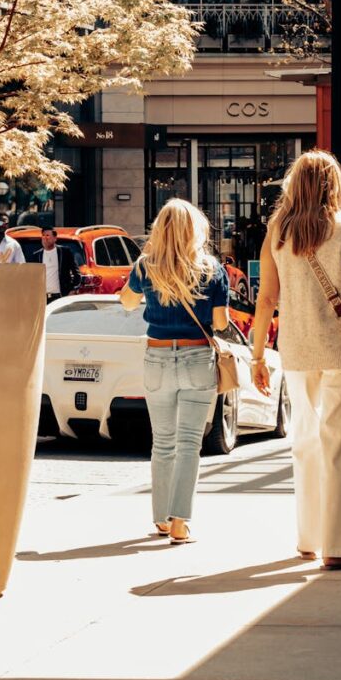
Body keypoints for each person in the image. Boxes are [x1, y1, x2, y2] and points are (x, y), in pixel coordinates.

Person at [249, 150, 341, 571]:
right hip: (339, 350)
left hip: (296, 351)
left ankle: (308, 538)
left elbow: (266, 299)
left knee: (306, 441)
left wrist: (258, 356)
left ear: (294, 185)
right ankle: (339, 545)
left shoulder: (277, 229)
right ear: (334, 185)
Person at [120, 198, 230, 544]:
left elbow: (125, 302)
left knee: (162, 442)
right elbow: (221, 323)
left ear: (160, 230)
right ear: (195, 230)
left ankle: (160, 520)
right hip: (197, 357)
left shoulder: (145, 266)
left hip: (157, 359)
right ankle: (180, 521)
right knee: (188, 444)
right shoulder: (212, 268)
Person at [30, 226, 81, 303]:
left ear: (55, 238)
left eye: (47, 235)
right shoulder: (37, 255)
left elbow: (76, 273)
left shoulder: (65, 252)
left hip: (60, 297)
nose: (45, 238)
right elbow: (32, 277)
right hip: (43, 298)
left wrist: (73, 290)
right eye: (43, 235)